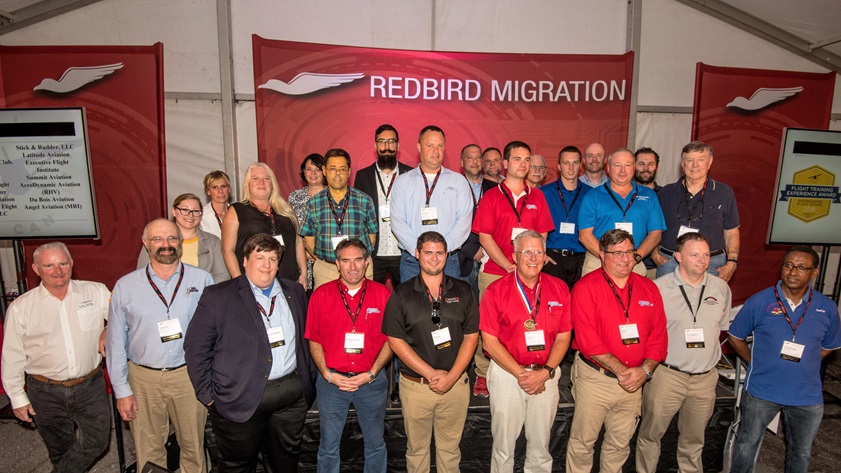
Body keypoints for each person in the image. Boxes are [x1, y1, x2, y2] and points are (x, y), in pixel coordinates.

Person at [184, 233, 316, 472]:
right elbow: (196, 349)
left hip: (291, 399)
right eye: (259, 257)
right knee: (238, 466)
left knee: (285, 463)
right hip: (239, 398)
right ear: (244, 261)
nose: (266, 265)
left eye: (273, 258)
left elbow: (308, 339)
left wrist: (308, 380)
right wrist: (209, 396)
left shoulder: (294, 292)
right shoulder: (218, 296)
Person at [107, 219, 214, 473]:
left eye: (171, 239)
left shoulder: (202, 279)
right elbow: (115, 342)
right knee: (149, 449)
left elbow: (216, 333)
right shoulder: (125, 286)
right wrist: (122, 390)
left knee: (194, 448)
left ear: (180, 242)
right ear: (146, 244)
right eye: (158, 239)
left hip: (188, 376)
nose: (165, 245)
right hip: (143, 379)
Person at [728, 246, 840, 473]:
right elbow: (735, 337)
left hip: (806, 397)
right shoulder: (760, 301)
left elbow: (828, 347)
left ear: (814, 273)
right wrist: (754, 362)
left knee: (801, 453)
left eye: (801, 267)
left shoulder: (826, 307)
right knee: (746, 446)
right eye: (788, 265)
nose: (792, 272)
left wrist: (803, 364)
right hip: (761, 391)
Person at [1, 242, 111, 473]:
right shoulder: (21, 307)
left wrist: (108, 328)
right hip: (45, 391)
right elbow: (12, 355)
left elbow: (122, 315)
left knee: (97, 442)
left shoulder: (96, 291)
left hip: (89, 386)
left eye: (62, 263)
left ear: (71, 264)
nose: (58, 270)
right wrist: (17, 397)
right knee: (60, 450)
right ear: (36, 269)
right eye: (49, 265)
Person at [566, 229, 667, 473]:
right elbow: (588, 341)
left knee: (620, 445)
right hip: (595, 380)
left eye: (630, 252)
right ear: (602, 255)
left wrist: (643, 370)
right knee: (583, 443)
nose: (625, 259)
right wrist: (624, 371)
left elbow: (659, 337)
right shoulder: (585, 288)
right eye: (617, 253)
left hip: (634, 382)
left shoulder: (648, 288)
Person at [382, 231, 479, 473]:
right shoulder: (401, 294)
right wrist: (431, 373)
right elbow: (395, 340)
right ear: (416, 254)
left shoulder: (464, 291)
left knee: (450, 451)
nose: (434, 258)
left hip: (456, 386)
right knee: (417, 451)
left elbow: (471, 337)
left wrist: (451, 376)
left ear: (447, 255)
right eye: (428, 252)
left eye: (439, 253)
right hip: (416, 387)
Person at [635, 233, 732, 473]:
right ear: (678, 257)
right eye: (695, 255)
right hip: (667, 375)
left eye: (707, 254)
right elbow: (644, 334)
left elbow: (721, 329)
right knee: (650, 436)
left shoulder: (721, 288)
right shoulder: (657, 289)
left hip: (705, 379)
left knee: (694, 441)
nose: (703, 260)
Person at [480, 231, 572, 472]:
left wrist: (546, 372)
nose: (533, 258)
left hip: (546, 376)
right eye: (526, 252)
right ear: (514, 256)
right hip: (507, 376)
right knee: (503, 447)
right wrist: (522, 374)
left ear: (545, 256)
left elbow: (564, 336)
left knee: (541, 447)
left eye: (538, 252)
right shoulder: (495, 291)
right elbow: (489, 342)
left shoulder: (559, 288)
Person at [471, 140, 554, 397]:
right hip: (496, 272)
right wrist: (509, 265)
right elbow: (485, 237)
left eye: (527, 160)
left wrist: (529, 264)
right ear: (505, 164)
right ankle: (483, 373)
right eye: (518, 159)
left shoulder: (537, 196)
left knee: (525, 323)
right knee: (489, 327)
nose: (523, 164)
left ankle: (523, 366)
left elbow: (541, 236)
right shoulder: (492, 196)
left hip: (529, 275)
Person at [305, 238, 393, 472]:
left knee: (375, 445)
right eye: (346, 261)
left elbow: (392, 341)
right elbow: (314, 339)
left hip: (371, 383)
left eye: (357, 260)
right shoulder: (320, 295)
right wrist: (327, 374)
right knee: (328, 447)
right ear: (337, 264)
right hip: (332, 383)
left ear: (366, 262)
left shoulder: (382, 294)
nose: (352, 267)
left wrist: (372, 373)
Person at [390, 125, 474, 282]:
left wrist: (440, 250)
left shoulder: (458, 181)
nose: (436, 151)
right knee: (411, 306)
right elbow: (397, 221)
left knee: (449, 306)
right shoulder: (403, 182)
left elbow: (464, 221)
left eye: (440, 145)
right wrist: (422, 251)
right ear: (419, 147)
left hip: (448, 260)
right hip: (412, 261)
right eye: (430, 145)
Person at [653, 141, 740, 281]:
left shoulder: (724, 193)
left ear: (710, 162)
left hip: (711, 264)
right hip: (670, 262)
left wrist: (731, 263)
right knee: (667, 303)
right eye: (689, 160)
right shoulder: (666, 193)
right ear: (682, 164)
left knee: (708, 302)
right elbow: (653, 227)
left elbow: (731, 232)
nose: (695, 165)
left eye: (701, 160)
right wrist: (654, 254)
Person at [578, 148, 666, 276]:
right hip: (598, 261)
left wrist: (635, 257)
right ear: (608, 168)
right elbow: (584, 235)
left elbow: (656, 233)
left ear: (634, 167)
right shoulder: (592, 196)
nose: (622, 170)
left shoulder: (649, 196)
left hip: (633, 262)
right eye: (617, 165)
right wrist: (608, 258)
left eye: (628, 165)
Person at [302, 148, 378, 288]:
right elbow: (308, 238)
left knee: (364, 308)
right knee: (325, 309)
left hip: (360, 269)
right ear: (324, 171)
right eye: (332, 169)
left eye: (342, 169)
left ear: (349, 172)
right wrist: (323, 258)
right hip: (326, 269)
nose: (337, 174)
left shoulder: (365, 201)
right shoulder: (313, 203)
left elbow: (372, 236)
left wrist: (359, 259)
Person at [221, 162, 307, 286]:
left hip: (288, 282)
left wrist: (303, 273)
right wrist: (240, 281)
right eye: (255, 178)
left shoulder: (286, 210)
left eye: (266, 178)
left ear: (272, 184)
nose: (261, 182)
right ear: (248, 184)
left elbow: (297, 242)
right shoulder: (236, 211)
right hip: (253, 284)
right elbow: (227, 250)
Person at [354, 124, 414, 286]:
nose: (386, 147)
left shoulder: (411, 174)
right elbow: (358, 217)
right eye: (382, 142)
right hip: (374, 252)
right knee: (372, 300)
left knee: (406, 300)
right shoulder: (362, 176)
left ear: (398, 145)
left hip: (403, 251)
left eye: (391, 141)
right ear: (375, 145)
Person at [138, 193, 230, 283]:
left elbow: (222, 275)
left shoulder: (213, 241)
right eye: (185, 210)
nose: (191, 215)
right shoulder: (155, 240)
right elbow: (141, 274)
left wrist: (201, 291)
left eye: (196, 211)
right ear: (174, 211)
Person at [541, 146, 591, 289]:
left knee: (578, 306)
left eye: (575, 163)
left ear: (580, 165)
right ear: (558, 166)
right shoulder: (544, 193)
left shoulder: (591, 194)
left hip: (581, 258)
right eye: (566, 163)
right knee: (553, 304)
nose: (570, 167)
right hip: (553, 258)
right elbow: (534, 227)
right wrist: (541, 255)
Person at [457, 143, 495, 296]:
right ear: (461, 162)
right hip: (462, 257)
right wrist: (471, 249)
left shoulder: (495, 189)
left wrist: (486, 249)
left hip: (490, 258)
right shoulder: (452, 187)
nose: (475, 162)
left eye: (479, 157)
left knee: (487, 309)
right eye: (470, 158)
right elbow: (447, 222)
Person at [288, 153, 326, 291]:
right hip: (301, 260)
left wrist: (315, 252)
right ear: (304, 172)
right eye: (309, 169)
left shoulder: (332, 196)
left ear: (324, 171)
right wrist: (303, 253)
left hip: (326, 259)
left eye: (318, 169)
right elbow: (291, 228)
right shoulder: (294, 197)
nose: (313, 173)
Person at [200, 170, 232, 239]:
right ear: (208, 191)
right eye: (215, 187)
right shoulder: (201, 217)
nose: (220, 191)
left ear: (229, 189)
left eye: (223, 186)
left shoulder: (239, 213)